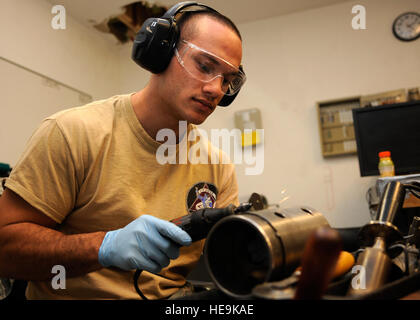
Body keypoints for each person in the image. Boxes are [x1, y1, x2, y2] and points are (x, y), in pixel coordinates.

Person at [0, 3, 245, 299]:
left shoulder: (217, 166)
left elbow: (229, 263)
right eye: (205, 66)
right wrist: (104, 247)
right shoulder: (71, 132)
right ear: (161, 51)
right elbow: (5, 249)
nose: (216, 89)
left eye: (228, 80)